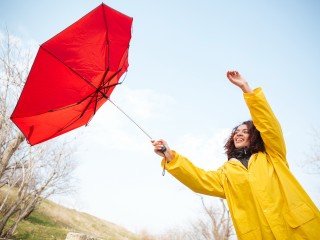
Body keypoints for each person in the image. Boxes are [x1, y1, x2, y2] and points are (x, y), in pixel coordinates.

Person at [151, 70, 320, 239]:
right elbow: (198, 180)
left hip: (301, 231)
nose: (238, 134)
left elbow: (269, 126)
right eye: (236, 132)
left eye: (245, 131)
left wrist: (247, 89)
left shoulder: (273, 155)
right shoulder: (227, 174)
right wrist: (170, 156)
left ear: (254, 136)